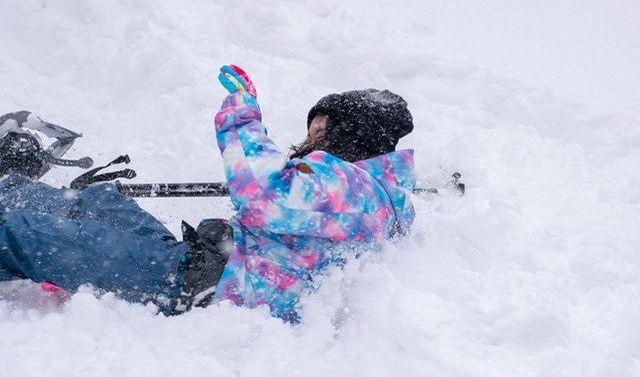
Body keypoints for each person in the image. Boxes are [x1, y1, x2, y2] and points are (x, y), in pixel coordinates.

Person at [0, 65, 415, 322]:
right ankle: (8, 186)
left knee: (24, 235)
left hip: (205, 288)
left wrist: (241, 112)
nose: (308, 140)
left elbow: (260, 189)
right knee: (100, 201)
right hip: (205, 266)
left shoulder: (350, 187)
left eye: (319, 129)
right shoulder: (368, 194)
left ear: (350, 136)